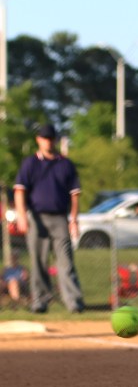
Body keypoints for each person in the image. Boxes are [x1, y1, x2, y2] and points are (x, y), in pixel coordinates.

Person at [13, 123, 85, 313]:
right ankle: (40, 301)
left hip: (60, 218)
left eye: (51, 138)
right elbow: (20, 191)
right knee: (39, 262)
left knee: (66, 262)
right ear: (38, 140)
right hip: (37, 218)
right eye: (44, 138)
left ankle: (73, 302)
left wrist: (74, 220)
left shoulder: (65, 164)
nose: (48, 142)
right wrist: (21, 216)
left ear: (55, 140)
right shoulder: (30, 163)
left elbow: (75, 195)